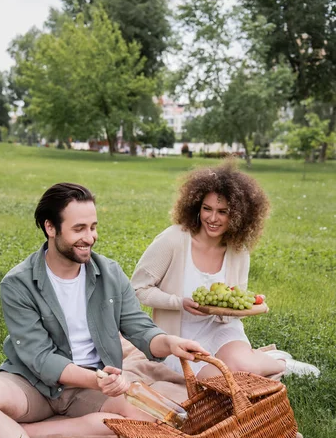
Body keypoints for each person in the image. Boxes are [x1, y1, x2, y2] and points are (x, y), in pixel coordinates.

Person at [0, 182, 207, 438]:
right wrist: (97, 380)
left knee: (155, 427)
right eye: (79, 228)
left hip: (91, 387)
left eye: (93, 226)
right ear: (50, 227)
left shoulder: (110, 273)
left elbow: (140, 329)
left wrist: (170, 343)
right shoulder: (17, 283)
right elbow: (39, 358)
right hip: (33, 385)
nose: (90, 237)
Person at [131, 162, 320, 380]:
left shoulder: (238, 251)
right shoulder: (173, 240)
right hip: (179, 338)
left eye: (223, 212)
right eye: (207, 209)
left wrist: (250, 303)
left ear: (238, 215)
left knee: (241, 368)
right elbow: (138, 289)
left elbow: (233, 300)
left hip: (221, 330)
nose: (212, 218)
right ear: (196, 207)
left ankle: (279, 363)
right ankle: (267, 361)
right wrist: (179, 302)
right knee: (220, 381)